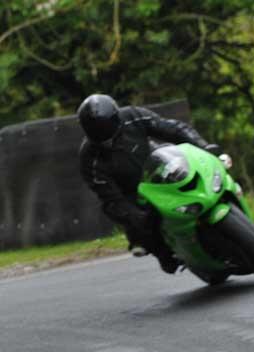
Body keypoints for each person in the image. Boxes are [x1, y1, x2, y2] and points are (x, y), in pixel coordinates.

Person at [77, 93, 221, 273]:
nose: (104, 136)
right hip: (131, 191)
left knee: (196, 166)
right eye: (96, 131)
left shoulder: (133, 116)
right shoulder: (89, 159)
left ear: (116, 116)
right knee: (137, 221)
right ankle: (163, 252)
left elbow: (172, 128)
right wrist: (133, 215)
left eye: (106, 128)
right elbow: (109, 195)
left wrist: (202, 145)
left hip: (156, 166)